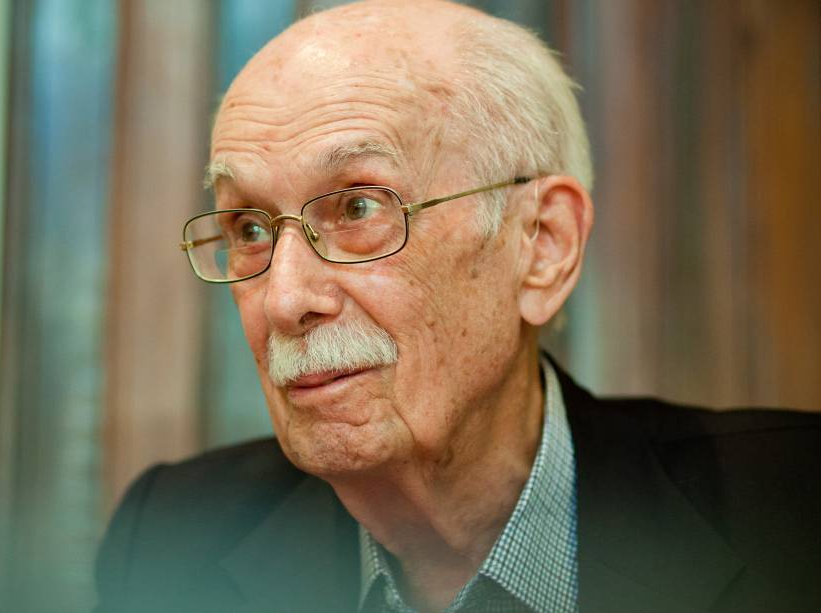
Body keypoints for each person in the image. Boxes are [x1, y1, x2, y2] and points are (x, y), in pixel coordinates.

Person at [94, 1, 821, 612]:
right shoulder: (174, 540)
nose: (284, 300)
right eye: (250, 228)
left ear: (542, 244)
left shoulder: (792, 508)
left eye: (358, 207)